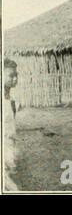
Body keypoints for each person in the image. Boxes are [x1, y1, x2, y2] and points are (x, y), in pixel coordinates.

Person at [4, 58, 19, 191]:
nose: (15, 79)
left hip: (10, 141)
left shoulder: (11, 100)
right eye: (11, 76)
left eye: (16, 75)